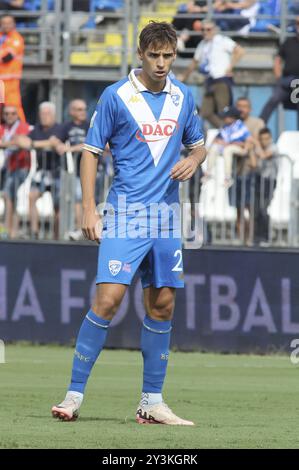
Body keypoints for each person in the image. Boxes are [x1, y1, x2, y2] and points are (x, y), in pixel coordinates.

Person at [51, 21, 206, 425]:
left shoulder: (183, 96)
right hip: (126, 214)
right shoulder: (116, 96)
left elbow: (199, 143)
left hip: (167, 217)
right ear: (140, 54)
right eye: (153, 55)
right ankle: (72, 395)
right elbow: (90, 152)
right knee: (108, 301)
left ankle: (151, 402)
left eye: (167, 56)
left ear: (175, 56)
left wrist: (194, 159)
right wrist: (88, 207)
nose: (160, 63)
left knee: (163, 304)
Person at [180, 20, 245, 128]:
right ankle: (223, 131)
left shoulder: (221, 40)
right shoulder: (202, 44)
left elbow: (240, 51)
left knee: (224, 111)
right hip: (209, 81)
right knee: (205, 112)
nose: (205, 32)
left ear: (214, 30)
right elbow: (194, 62)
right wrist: (184, 76)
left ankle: (228, 133)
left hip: (221, 80)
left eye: (208, 29)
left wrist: (230, 67)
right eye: (203, 30)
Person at [14, 101, 62, 238]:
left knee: (58, 204)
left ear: (53, 115)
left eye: (47, 113)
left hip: (57, 172)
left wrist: (33, 145)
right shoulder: (37, 130)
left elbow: (57, 142)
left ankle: (57, 235)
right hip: (41, 172)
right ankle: (34, 232)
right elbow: (20, 141)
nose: (44, 116)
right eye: (42, 113)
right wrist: (44, 143)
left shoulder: (59, 128)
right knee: (32, 196)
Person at [54, 99, 89, 240]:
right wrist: (58, 144)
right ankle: (67, 231)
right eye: (79, 109)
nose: (83, 112)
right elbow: (54, 139)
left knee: (83, 200)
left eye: (84, 109)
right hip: (70, 172)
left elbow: (94, 143)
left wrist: (71, 148)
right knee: (70, 200)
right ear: (71, 112)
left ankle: (80, 229)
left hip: (90, 171)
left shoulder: (90, 126)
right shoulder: (65, 126)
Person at [260, 16, 299, 126]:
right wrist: (278, 77)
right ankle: (260, 127)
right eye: (297, 23)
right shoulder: (289, 42)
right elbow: (278, 59)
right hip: (287, 79)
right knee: (273, 99)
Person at [0, 104, 30, 237]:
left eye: (12, 113)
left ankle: (9, 229)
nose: (9, 116)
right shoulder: (3, 128)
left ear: (17, 115)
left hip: (21, 166)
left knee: (9, 195)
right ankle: (10, 229)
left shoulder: (22, 126)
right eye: (6, 114)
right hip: (8, 167)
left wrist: (5, 143)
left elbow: (22, 142)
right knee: (9, 197)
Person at [203, 105, 251, 187]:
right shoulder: (225, 127)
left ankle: (228, 177)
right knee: (214, 148)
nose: (224, 118)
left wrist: (245, 149)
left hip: (238, 149)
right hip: (226, 147)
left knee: (228, 150)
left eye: (226, 117)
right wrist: (216, 143)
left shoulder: (240, 126)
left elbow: (249, 139)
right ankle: (208, 172)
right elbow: (216, 139)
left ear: (233, 117)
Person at [251, 127, 278, 244]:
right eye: (262, 139)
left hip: (269, 182)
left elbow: (264, 156)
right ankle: (256, 237)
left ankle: (265, 237)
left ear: (270, 138)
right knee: (256, 210)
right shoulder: (258, 149)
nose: (264, 141)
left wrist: (256, 144)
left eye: (266, 139)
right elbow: (253, 165)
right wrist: (252, 149)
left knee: (263, 209)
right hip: (258, 181)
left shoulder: (273, 147)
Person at [0, 15, 25, 122]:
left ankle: (22, 128)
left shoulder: (16, 38)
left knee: (14, 106)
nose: (6, 25)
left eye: (9, 22)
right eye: (4, 23)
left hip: (11, 81)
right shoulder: (1, 37)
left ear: (14, 24)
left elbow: (7, 58)